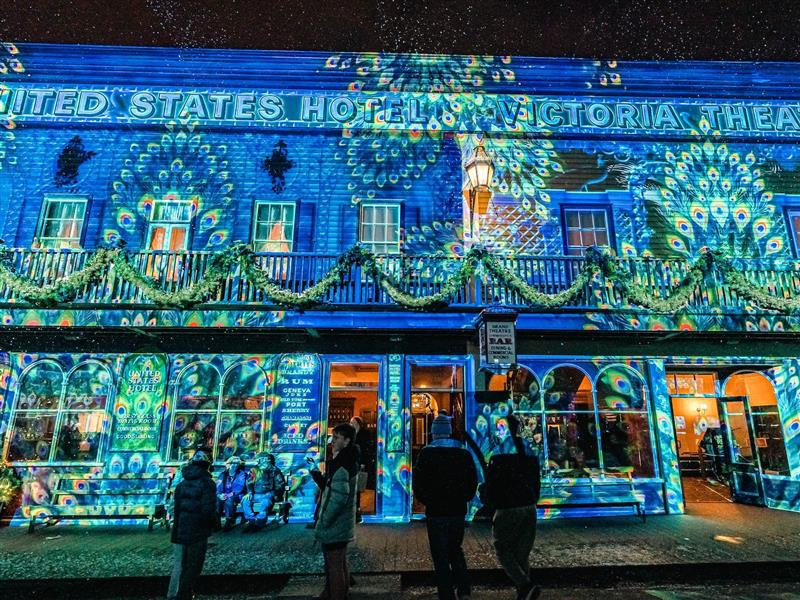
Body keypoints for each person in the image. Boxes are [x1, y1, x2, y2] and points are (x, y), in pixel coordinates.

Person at [412, 411, 478, 600]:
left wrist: (427, 500)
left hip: (436, 512)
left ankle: (446, 593)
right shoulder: (463, 453)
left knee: (440, 555)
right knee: (455, 548)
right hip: (457, 511)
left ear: (433, 432)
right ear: (449, 432)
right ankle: (464, 589)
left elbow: (418, 482)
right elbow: (472, 480)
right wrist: (464, 498)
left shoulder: (426, 453)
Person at [482, 415, 542, 600]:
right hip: (528, 505)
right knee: (521, 552)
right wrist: (533, 498)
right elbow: (536, 479)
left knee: (503, 548)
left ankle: (525, 585)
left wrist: (491, 501)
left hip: (508, 507)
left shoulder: (499, 452)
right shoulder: (529, 451)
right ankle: (524, 593)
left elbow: (492, 481)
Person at [310, 423, 359, 600]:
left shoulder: (341, 465)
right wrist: (317, 476)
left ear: (346, 441)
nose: (332, 441)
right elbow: (333, 489)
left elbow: (339, 498)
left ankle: (336, 595)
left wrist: (325, 521)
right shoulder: (345, 461)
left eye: (337, 437)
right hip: (342, 524)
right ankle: (340, 594)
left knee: (334, 566)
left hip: (335, 525)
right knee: (340, 563)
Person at [167, 450, 219, 600]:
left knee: (181, 564)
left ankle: (177, 594)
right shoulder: (207, 483)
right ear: (207, 466)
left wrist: (175, 527)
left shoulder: (181, 484)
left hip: (180, 529)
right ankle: (183, 594)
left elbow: (175, 508)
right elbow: (208, 508)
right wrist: (213, 526)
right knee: (194, 565)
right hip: (198, 530)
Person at [242, 452, 286, 532]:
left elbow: (280, 483)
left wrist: (275, 493)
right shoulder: (254, 469)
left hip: (267, 493)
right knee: (245, 500)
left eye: (261, 459)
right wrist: (250, 492)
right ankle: (251, 521)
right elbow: (249, 482)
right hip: (255, 494)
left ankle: (259, 521)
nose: (259, 461)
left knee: (265, 502)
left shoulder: (274, 470)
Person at [349, 415, 371, 522]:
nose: (351, 424)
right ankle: (354, 508)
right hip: (352, 463)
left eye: (352, 422)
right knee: (352, 485)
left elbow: (366, 449)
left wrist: (363, 462)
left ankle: (357, 508)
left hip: (359, 462)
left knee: (357, 486)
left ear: (357, 423)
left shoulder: (363, 435)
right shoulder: (351, 434)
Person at [216, 455, 247, 531]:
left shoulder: (242, 474)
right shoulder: (223, 474)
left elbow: (240, 487)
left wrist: (228, 495)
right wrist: (219, 494)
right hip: (224, 494)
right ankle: (216, 522)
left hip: (236, 495)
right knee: (217, 500)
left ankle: (229, 520)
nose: (235, 465)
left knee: (229, 499)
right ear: (228, 464)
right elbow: (218, 485)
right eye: (233, 463)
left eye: (237, 463)